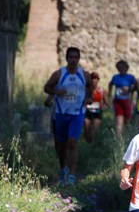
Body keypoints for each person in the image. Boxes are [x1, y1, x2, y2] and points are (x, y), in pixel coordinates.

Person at [44, 46, 92, 187]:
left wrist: (89, 97)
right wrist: (56, 92)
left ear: (79, 59)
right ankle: (62, 168)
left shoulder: (84, 75)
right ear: (66, 58)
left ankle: (71, 175)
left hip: (77, 114)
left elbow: (89, 86)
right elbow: (46, 88)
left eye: (75, 57)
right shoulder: (59, 74)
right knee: (61, 146)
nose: (73, 60)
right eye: (70, 57)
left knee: (73, 143)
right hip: (61, 114)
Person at [108, 59, 136, 137]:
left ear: (127, 68)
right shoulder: (115, 77)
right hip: (118, 101)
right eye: (120, 67)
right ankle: (118, 139)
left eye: (123, 67)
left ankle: (128, 137)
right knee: (119, 122)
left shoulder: (131, 77)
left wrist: (129, 89)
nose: (121, 69)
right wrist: (109, 92)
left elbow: (136, 87)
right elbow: (110, 84)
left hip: (127, 101)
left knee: (127, 122)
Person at [83, 72, 109, 144]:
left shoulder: (102, 90)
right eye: (92, 79)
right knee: (86, 128)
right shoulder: (85, 90)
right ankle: (86, 142)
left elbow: (106, 103)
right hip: (87, 111)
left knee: (93, 130)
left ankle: (92, 144)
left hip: (97, 112)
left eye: (95, 79)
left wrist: (103, 107)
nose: (93, 81)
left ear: (98, 80)